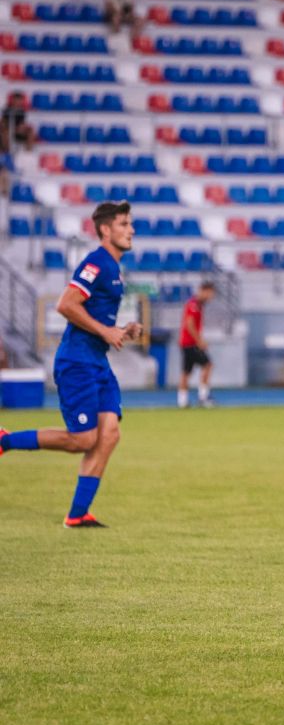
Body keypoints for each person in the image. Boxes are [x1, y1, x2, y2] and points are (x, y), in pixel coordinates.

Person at [0, 201, 143, 528]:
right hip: (77, 363)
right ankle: (4, 440)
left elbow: (94, 317)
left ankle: (78, 514)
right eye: (123, 224)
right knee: (83, 440)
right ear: (106, 230)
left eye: (130, 224)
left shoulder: (113, 268)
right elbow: (66, 304)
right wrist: (107, 331)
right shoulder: (96, 262)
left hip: (97, 362)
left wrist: (122, 330)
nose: (131, 229)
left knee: (109, 435)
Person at [177, 281, 215, 409]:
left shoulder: (197, 305)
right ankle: (203, 397)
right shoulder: (194, 305)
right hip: (190, 343)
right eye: (210, 294)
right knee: (208, 365)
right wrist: (199, 341)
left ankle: (182, 401)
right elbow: (190, 324)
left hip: (186, 343)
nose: (211, 297)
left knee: (186, 372)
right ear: (204, 291)